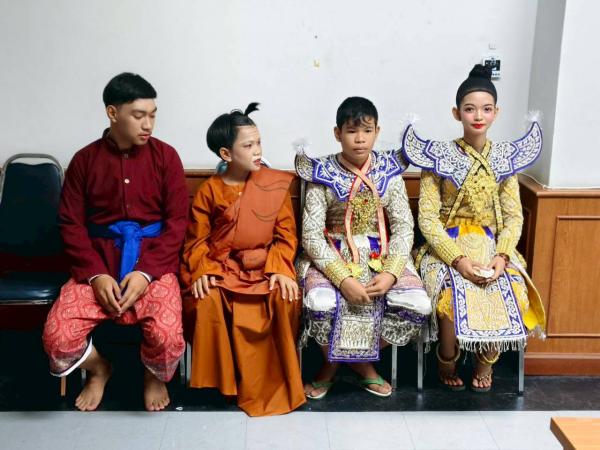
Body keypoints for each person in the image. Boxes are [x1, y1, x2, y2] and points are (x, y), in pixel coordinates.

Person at [42, 73, 188, 411]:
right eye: (138, 115)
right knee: (57, 337)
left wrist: (146, 273)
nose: (148, 124)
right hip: (97, 265)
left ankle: (153, 375)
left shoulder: (166, 157)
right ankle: (99, 369)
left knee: (168, 338)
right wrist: (96, 274)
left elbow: (177, 223)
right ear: (112, 113)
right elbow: (71, 224)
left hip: (153, 265)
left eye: (152, 115)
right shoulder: (84, 160)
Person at [402, 64, 546, 392]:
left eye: (486, 109)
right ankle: (446, 358)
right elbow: (428, 219)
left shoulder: (506, 160)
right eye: (469, 109)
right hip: (447, 246)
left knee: (512, 290)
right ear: (457, 113)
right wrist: (458, 260)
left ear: (496, 112)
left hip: (492, 246)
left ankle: (486, 362)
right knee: (449, 295)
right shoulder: (437, 158)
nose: (478, 116)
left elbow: (513, 217)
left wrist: (502, 257)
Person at [296, 96, 431, 399]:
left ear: (377, 132)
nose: (360, 139)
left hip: (381, 255)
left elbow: (404, 227)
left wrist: (392, 273)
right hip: (332, 254)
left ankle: (338, 365)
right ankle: (360, 368)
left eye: (367, 131)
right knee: (320, 303)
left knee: (418, 305)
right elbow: (312, 235)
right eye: (351, 131)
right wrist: (342, 279)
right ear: (337, 133)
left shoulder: (390, 171)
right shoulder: (321, 173)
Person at [180, 103, 305, 416]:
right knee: (205, 297)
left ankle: (277, 381)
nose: (258, 150)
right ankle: (224, 385)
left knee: (284, 295)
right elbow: (197, 240)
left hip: (264, 268)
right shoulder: (209, 191)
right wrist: (204, 270)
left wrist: (280, 269)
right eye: (248, 146)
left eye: (259, 142)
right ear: (226, 153)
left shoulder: (273, 185)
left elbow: (286, 237)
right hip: (223, 268)